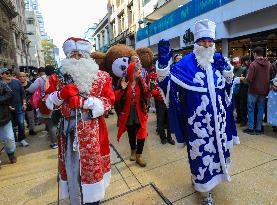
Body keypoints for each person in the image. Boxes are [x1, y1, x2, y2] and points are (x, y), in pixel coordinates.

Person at [156, 19, 242, 204]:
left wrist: (227, 70)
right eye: (203, 41)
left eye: (210, 41)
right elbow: (167, 86)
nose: (207, 45)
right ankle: (203, 191)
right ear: (196, 42)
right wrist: (163, 64)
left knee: (219, 156)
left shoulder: (216, 63)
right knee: (201, 158)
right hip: (198, 126)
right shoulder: (184, 65)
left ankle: (210, 184)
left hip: (218, 125)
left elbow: (228, 90)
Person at [45, 37, 114, 205]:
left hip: (92, 131)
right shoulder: (57, 78)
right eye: (72, 54)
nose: (76, 58)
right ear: (67, 56)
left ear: (87, 56)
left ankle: (93, 201)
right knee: (71, 170)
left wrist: (87, 102)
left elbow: (109, 101)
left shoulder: (102, 76)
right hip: (67, 131)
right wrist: (60, 95)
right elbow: (47, 104)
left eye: (80, 54)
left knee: (91, 171)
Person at [115, 62, 150, 167]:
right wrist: (122, 89)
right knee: (131, 132)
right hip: (128, 112)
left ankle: (139, 155)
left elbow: (146, 95)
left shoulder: (141, 81)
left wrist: (148, 88)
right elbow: (116, 97)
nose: (139, 72)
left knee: (141, 132)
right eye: (136, 70)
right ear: (131, 72)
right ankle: (133, 151)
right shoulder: (123, 81)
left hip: (140, 111)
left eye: (139, 70)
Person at [243, 46, 275, 135]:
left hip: (253, 90)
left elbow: (249, 79)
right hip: (264, 91)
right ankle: (258, 128)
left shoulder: (253, 64)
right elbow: (272, 76)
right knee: (261, 109)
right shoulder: (269, 64)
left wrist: (244, 80)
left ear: (255, 54)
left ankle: (250, 128)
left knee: (251, 109)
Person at [27, 67, 58, 148]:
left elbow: (31, 89)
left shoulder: (39, 80)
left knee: (51, 124)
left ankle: (54, 143)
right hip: (58, 103)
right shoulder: (58, 77)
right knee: (56, 123)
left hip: (46, 103)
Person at [2, 68, 28, 146]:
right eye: (6, 73)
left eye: (9, 72)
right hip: (7, 108)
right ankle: (14, 140)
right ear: (2, 75)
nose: (8, 74)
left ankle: (22, 139)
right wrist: (7, 106)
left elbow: (22, 93)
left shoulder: (17, 82)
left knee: (21, 123)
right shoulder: (1, 84)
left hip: (19, 106)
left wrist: (24, 103)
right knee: (11, 125)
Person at [149, 72, 175, 145]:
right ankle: (163, 138)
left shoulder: (169, 75)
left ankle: (169, 138)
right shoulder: (153, 76)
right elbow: (152, 89)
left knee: (169, 120)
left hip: (168, 101)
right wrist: (159, 92)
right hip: (159, 102)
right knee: (160, 120)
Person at [0, 68, 17, 167]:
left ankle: (11, 154)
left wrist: (1, 100)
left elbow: (10, 94)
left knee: (9, 138)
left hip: (4, 117)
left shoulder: (2, 84)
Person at [232, 57, 247, 126]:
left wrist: (239, 79)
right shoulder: (233, 70)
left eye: (236, 63)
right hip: (235, 90)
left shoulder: (244, 69)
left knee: (242, 105)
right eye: (234, 63)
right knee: (237, 105)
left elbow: (245, 80)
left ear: (240, 63)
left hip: (242, 90)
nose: (235, 64)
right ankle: (239, 118)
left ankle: (243, 120)